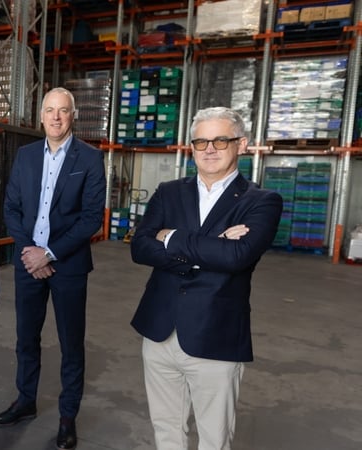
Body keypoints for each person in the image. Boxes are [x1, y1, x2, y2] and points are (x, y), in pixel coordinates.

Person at [130, 106, 283, 449]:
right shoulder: (169, 191)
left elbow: (237, 256)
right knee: (166, 430)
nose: (209, 149)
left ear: (241, 145)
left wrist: (170, 237)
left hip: (216, 336)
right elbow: (139, 247)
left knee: (214, 438)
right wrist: (210, 249)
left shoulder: (262, 201)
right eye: (201, 142)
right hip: (159, 331)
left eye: (220, 140)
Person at [0, 87, 106, 450]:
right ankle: (25, 401)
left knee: (72, 344)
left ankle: (67, 416)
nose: (56, 117)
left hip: (68, 265)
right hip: (29, 263)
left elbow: (91, 219)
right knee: (26, 338)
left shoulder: (89, 158)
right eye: (49, 110)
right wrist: (30, 252)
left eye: (63, 111)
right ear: (40, 116)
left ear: (73, 116)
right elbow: (11, 207)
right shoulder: (25, 156)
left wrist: (50, 253)